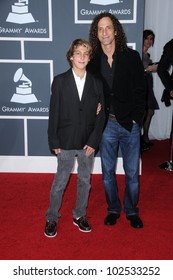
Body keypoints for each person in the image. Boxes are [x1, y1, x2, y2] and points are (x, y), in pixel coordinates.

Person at [87, 12, 146, 228]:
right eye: (100, 29)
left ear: (115, 31)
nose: (104, 32)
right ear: (97, 33)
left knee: (132, 174)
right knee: (107, 174)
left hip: (129, 123)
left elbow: (141, 90)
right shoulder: (92, 61)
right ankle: (113, 209)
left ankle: (131, 210)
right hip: (106, 126)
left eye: (108, 28)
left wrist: (136, 120)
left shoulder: (131, 57)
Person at [44, 38, 105, 237]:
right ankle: (52, 217)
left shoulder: (96, 82)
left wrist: (93, 141)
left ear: (89, 58)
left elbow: (101, 114)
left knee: (85, 181)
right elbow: (54, 113)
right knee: (60, 181)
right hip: (65, 141)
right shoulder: (60, 81)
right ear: (71, 56)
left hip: (87, 142)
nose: (82, 57)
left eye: (86, 54)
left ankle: (79, 215)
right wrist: (54, 141)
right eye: (78, 53)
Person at [141, 30, 159, 152]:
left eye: (151, 39)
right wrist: (149, 69)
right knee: (144, 113)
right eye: (147, 38)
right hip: (142, 86)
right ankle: (142, 139)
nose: (149, 41)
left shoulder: (146, 55)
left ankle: (145, 137)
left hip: (148, 85)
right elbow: (138, 70)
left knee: (150, 111)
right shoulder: (139, 52)